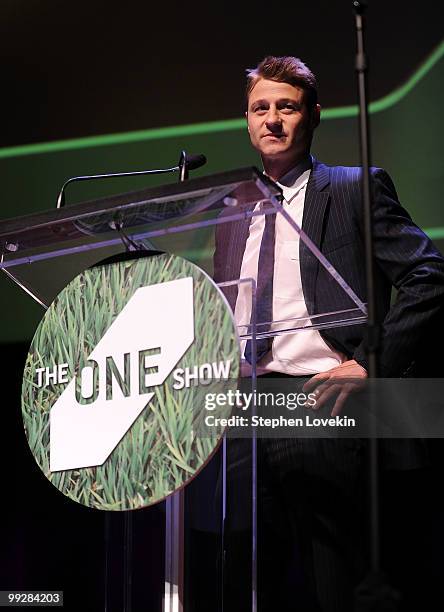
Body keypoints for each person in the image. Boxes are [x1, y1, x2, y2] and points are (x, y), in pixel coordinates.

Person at [212, 56, 444, 611]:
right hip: (243, 411)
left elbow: (427, 275)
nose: (272, 120)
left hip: (322, 400)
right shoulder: (229, 212)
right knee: (244, 582)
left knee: (331, 580)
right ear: (246, 120)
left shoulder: (353, 189)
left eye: (286, 107)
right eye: (260, 108)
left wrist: (370, 362)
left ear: (312, 115)